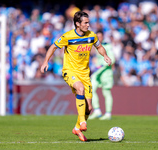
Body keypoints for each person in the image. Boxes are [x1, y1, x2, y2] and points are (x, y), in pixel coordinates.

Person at [40, 11, 112, 142]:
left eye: (88, 22)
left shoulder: (92, 36)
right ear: (77, 24)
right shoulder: (68, 36)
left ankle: (77, 128)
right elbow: (53, 47)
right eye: (85, 23)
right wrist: (45, 61)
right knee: (80, 89)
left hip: (85, 73)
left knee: (89, 108)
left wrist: (105, 55)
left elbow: (99, 47)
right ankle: (83, 122)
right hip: (70, 71)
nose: (88, 25)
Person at [89, 31, 115, 120]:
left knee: (106, 92)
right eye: (97, 37)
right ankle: (97, 111)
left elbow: (113, 59)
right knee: (91, 89)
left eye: (100, 36)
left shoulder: (107, 46)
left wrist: (102, 66)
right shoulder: (95, 47)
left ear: (103, 37)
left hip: (105, 72)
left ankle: (108, 114)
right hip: (97, 73)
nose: (98, 38)